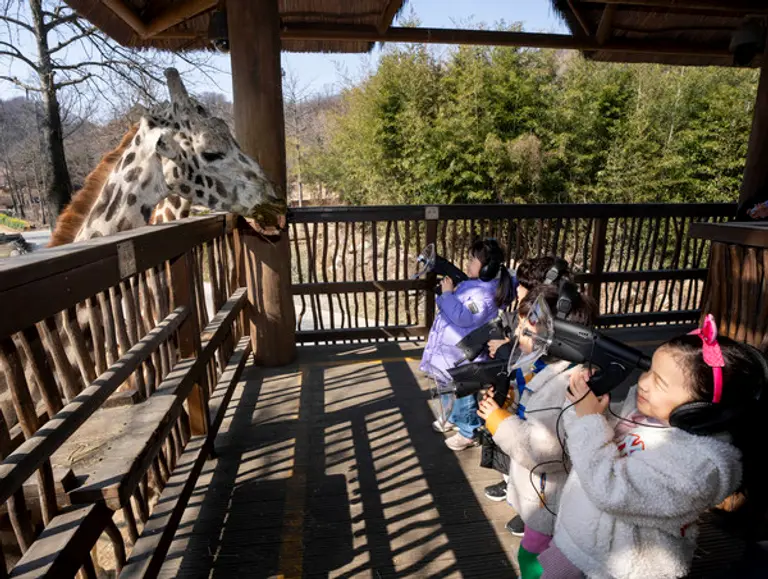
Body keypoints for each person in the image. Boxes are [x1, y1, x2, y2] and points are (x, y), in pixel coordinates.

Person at [536, 315, 768, 579]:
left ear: (698, 409)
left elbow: (610, 489)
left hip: (624, 566)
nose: (643, 383)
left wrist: (587, 420)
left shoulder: (699, 466)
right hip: (578, 538)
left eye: (659, 382)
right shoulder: (648, 413)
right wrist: (586, 410)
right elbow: (601, 444)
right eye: (649, 370)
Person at [477, 284, 597, 578]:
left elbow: (544, 451)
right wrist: (510, 404)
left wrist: (498, 421)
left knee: (535, 552)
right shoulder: (552, 367)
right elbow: (535, 407)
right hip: (542, 491)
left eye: (527, 329)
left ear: (560, 337)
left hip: (549, 493)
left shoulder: (567, 385)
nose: (518, 335)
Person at [482, 256, 572, 517]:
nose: (518, 290)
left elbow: (543, 448)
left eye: (523, 285)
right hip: (520, 430)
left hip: (545, 486)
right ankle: (514, 488)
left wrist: (499, 419)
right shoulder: (533, 315)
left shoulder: (559, 378)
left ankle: (533, 509)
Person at [420, 238, 515, 451]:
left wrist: (446, 295)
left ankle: (468, 431)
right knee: (448, 386)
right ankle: (452, 418)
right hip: (452, 351)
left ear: (488, 267)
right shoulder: (473, 285)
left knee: (463, 393)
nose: (468, 262)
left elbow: (463, 317)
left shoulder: (484, 294)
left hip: (463, 354)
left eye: (473, 259)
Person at [487, 256, 571, 359]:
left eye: (523, 285)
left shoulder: (564, 325)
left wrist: (510, 349)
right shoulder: (510, 320)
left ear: (541, 291)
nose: (517, 289)